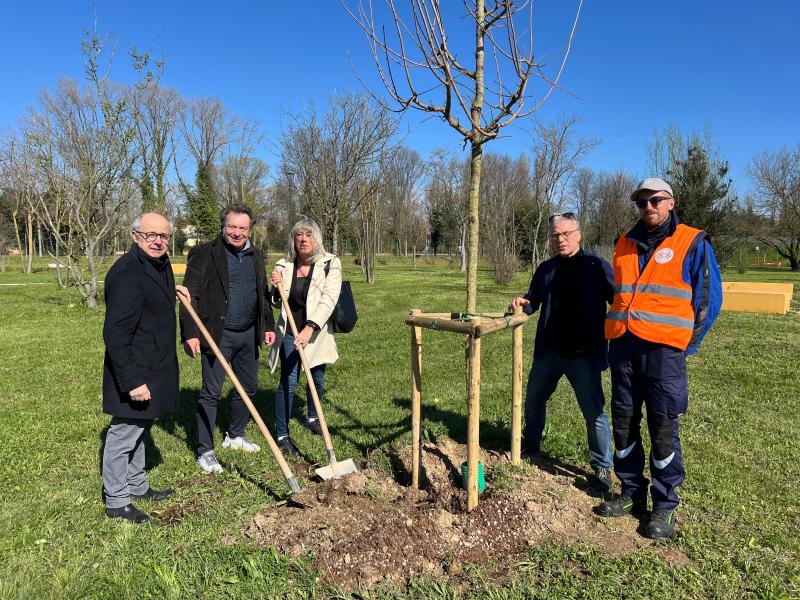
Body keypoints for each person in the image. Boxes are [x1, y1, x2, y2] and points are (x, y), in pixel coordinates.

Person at [595, 178, 722, 540]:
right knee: (623, 420)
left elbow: (708, 301)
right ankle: (631, 490)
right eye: (641, 202)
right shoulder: (623, 243)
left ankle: (664, 504)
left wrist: (686, 344)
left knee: (663, 424)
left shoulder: (692, 242)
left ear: (670, 202)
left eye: (655, 200)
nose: (647, 207)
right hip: (623, 348)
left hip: (665, 352)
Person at [510, 212, 615, 494]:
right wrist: (524, 303)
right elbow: (533, 301)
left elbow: (618, 300)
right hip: (550, 352)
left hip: (584, 355)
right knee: (533, 400)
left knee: (594, 412)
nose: (561, 239)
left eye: (566, 233)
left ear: (579, 234)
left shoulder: (596, 266)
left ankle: (603, 468)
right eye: (556, 235)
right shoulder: (546, 269)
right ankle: (531, 445)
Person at [102, 212, 190, 523]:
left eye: (164, 235)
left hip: (156, 364)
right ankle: (116, 500)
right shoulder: (126, 272)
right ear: (134, 235)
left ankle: (137, 485)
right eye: (150, 234)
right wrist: (132, 380)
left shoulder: (159, 264)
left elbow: (150, 303)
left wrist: (175, 295)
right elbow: (115, 334)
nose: (158, 240)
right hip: (136, 369)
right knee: (124, 432)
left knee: (142, 427)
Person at [179, 205, 275, 474]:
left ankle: (234, 435)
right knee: (211, 393)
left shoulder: (255, 254)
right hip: (216, 333)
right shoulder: (204, 254)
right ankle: (205, 450)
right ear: (223, 227)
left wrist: (267, 324)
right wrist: (190, 333)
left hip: (247, 333)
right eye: (232, 226)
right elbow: (189, 296)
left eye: (242, 228)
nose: (237, 232)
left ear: (249, 230)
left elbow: (262, 294)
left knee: (249, 387)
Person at [268, 218, 342, 456]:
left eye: (308, 235)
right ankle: (282, 434)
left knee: (316, 380)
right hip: (289, 332)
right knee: (288, 383)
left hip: (316, 333)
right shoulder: (284, 265)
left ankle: (312, 418)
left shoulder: (330, 263)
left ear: (316, 238)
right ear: (293, 239)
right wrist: (274, 287)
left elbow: (329, 299)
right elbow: (276, 301)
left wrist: (310, 327)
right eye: (299, 235)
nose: (303, 239)